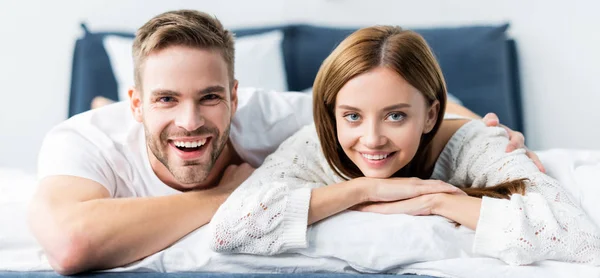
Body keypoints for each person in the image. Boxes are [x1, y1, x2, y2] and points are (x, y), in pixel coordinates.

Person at [28, 10, 538, 275]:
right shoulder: (81, 141)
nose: (190, 121)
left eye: (209, 98)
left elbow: (393, 107)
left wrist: (490, 132)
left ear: (234, 96)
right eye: (165, 100)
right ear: (136, 104)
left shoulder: (269, 116)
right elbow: (72, 246)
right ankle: (105, 101)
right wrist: (229, 197)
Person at [209, 25, 600, 266]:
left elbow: (578, 238)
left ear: (430, 115)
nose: (373, 139)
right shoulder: (311, 144)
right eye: (352, 116)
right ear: (331, 115)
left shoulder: (477, 144)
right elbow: (228, 230)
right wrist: (365, 189)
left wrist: (434, 200)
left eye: (395, 116)